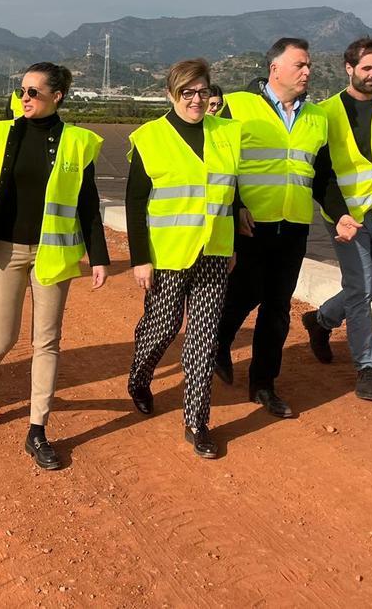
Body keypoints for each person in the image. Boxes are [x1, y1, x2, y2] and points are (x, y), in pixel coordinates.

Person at [0, 63, 109, 471]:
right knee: (0, 340)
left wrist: (98, 257)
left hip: (52, 254)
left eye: (33, 92)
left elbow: (87, 204)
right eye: (22, 91)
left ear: (57, 96)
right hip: (5, 253)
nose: (24, 98)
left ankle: (37, 429)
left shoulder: (79, 143)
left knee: (47, 342)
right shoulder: (0, 135)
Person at [213, 37, 358, 419]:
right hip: (250, 224)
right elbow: (219, 165)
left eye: (308, 65)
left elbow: (322, 177)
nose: (307, 71)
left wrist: (338, 213)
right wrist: (235, 206)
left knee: (277, 308)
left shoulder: (315, 118)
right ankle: (217, 343)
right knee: (243, 294)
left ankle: (263, 385)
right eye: (300, 64)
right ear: (275, 68)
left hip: (293, 226)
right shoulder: (237, 106)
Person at [125, 59, 240, 459]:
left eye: (202, 91)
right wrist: (141, 258)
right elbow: (135, 202)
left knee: (204, 338)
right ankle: (140, 376)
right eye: (187, 92)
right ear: (171, 95)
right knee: (163, 326)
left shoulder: (226, 133)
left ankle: (197, 422)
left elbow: (228, 186)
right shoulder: (150, 137)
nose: (196, 99)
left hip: (213, 251)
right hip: (168, 254)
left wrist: (231, 242)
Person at [302, 37, 372, 402]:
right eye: (366, 68)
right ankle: (367, 366)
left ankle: (322, 320)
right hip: (344, 215)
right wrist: (342, 213)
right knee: (360, 289)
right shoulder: (325, 112)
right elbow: (321, 174)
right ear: (349, 68)